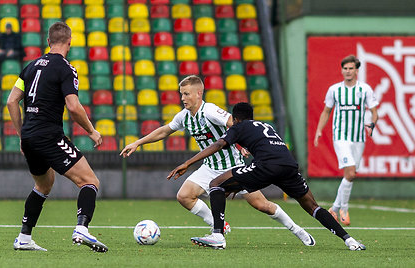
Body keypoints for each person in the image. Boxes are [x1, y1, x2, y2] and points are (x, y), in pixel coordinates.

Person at [121, 75, 315, 246]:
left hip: (233, 165)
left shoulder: (211, 111)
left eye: (186, 94)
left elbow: (237, 125)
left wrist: (244, 144)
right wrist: (138, 143)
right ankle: (218, 226)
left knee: (261, 205)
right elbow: (165, 130)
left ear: (199, 93)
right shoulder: (184, 117)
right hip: (210, 167)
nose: (183, 99)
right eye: (181, 94)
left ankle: (297, 229)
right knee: (184, 196)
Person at [168, 102, 366, 251]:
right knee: (313, 207)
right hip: (289, 166)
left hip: (266, 167)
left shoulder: (238, 127)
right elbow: (263, 145)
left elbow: (218, 145)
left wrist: (188, 163)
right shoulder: (266, 127)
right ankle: (349, 240)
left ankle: (218, 235)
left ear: (235, 119)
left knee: (216, 184)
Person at [7, 22, 107, 253]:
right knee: (90, 181)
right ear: (69, 42)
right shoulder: (65, 68)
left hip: (30, 136)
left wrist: (22, 135)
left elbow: (12, 100)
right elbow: (73, 106)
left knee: (43, 184)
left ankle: (24, 238)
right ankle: (81, 229)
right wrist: (91, 131)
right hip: (48, 134)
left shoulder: (30, 67)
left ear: (48, 41)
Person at [314, 55, 379, 226]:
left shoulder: (365, 89)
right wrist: (319, 130)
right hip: (341, 137)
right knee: (350, 172)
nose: (348, 71)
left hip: (359, 138)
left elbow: (374, 111)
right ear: (342, 70)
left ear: (357, 70)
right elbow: (326, 111)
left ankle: (334, 209)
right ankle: (344, 208)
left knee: (351, 175)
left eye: (351, 68)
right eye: (345, 68)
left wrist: (373, 124)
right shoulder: (335, 90)